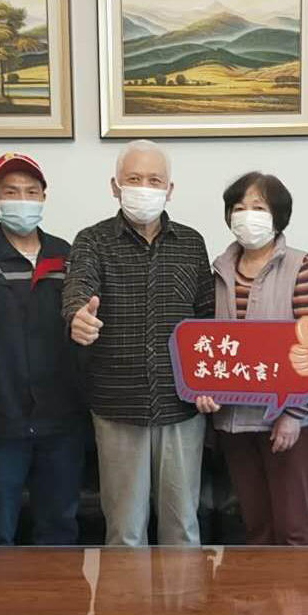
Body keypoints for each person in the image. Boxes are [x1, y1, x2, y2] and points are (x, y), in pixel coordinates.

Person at [61, 140, 214, 545]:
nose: (144, 188)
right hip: (117, 405)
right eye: (134, 179)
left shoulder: (192, 243)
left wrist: (210, 383)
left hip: (181, 405)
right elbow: (79, 288)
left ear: (169, 189)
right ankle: (127, 594)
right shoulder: (92, 240)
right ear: (115, 186)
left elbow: (208, 319)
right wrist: (78, 316)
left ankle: (181, 593)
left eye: (154, 180)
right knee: (125, 532)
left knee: (183, 528)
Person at [194, 172, 308, 545]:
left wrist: (294, 413)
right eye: (239, 207)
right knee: (255, 527)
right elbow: (205, 343)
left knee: (292, 528)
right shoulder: (217, 271)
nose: (247, 215)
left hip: (286, 418)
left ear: (278, 216)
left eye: (258, 207)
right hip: (233, 419)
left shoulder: (301, 268)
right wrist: (202, 388)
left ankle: (299, 588)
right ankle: (262, 586)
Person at [0, 153, 87, 546]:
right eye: (11, 192)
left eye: (31, 191)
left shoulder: (67, 254)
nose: (22, 200)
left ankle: (58, 590)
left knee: (60, 525)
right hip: (0, 418)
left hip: (62, 416)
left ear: (44, 197)